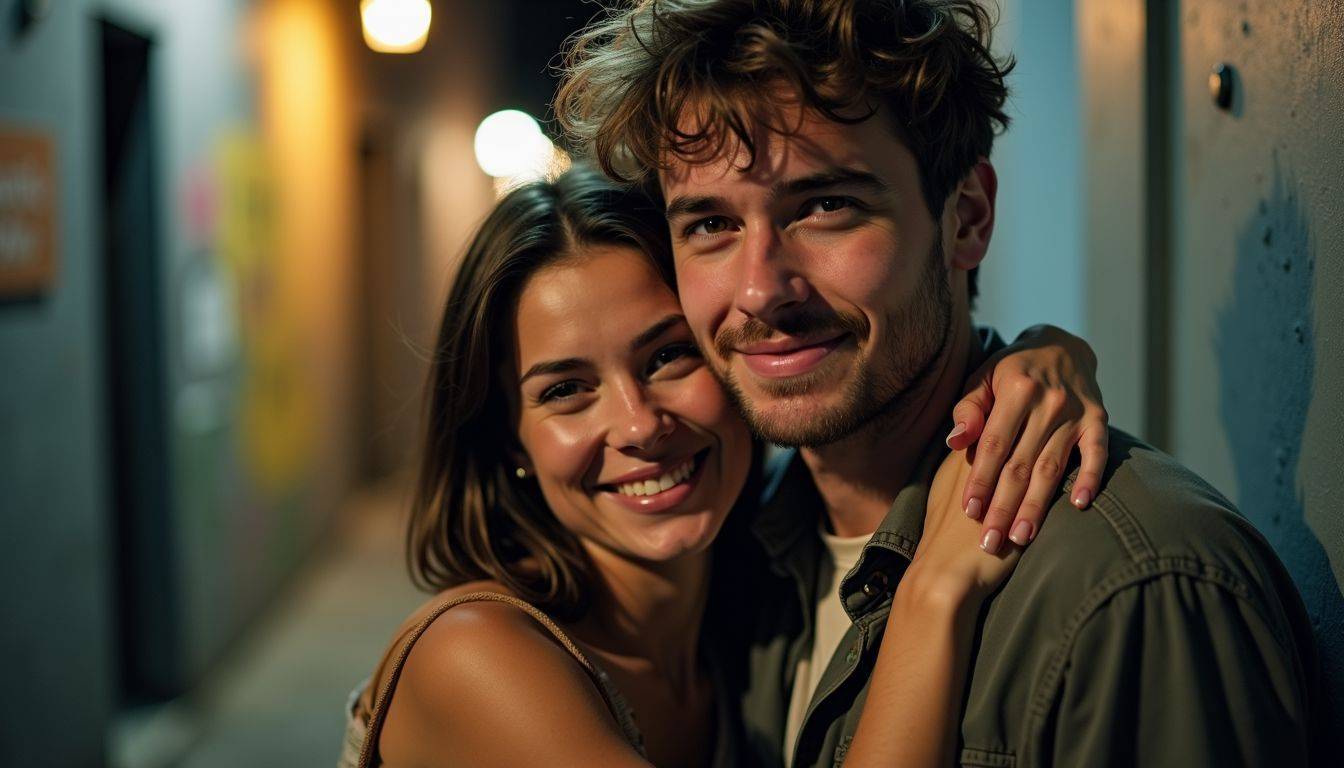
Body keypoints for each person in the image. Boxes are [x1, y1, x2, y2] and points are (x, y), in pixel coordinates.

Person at [556, 0, 1321, 765]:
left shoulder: (1135, 586)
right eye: (711, 225)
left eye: (826, 206)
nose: (760, 290)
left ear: (968, 217)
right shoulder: (736, 551)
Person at [338, 165, 1111, 767]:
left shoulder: (748, 592)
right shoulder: (476, 658)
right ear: (509, 440)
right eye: (568, 391)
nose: (639, 425)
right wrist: (933, 595)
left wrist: (1041, 354)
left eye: (669, 356)